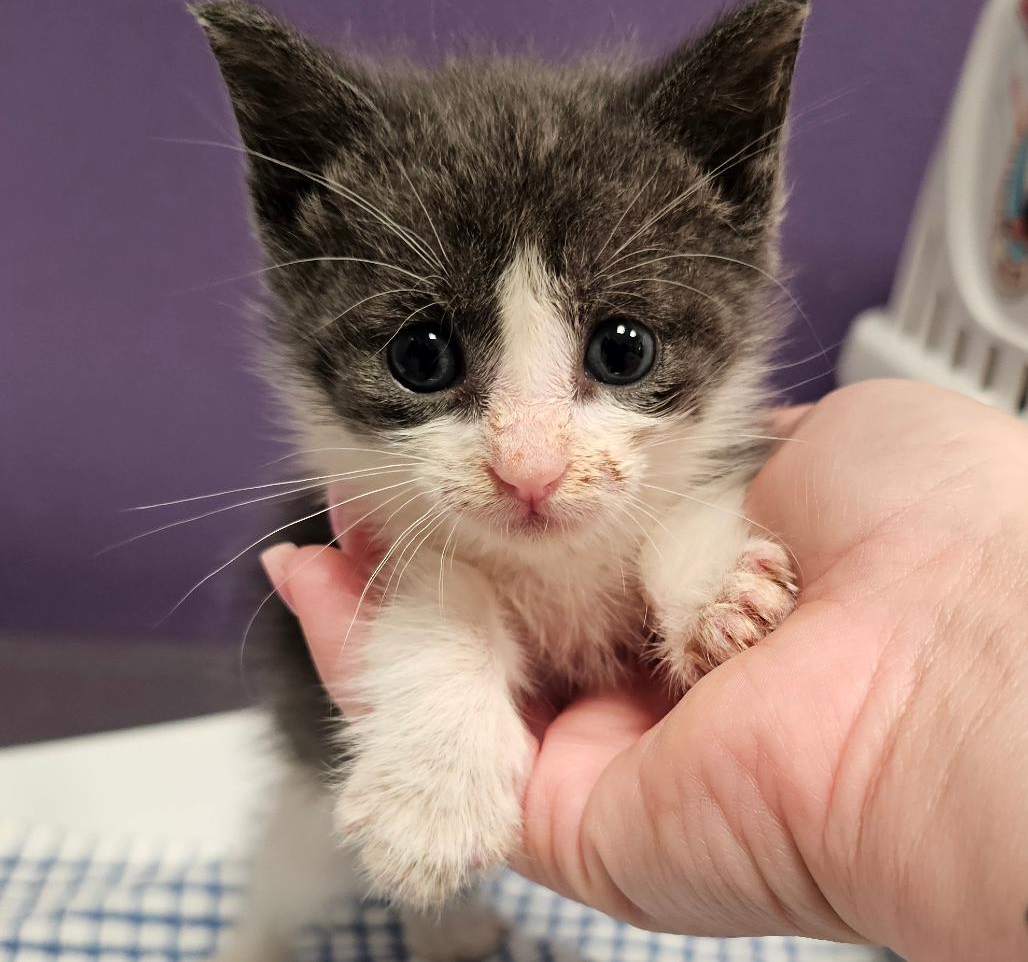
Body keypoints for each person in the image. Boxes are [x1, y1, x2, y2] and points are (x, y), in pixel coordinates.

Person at [259, 380, 1028, 961]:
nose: (530, 467)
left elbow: (692, 512)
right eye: (426, 361)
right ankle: (258, 939)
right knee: (305, 849)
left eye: (618, 354)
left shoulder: (694, 467)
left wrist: (704, 585)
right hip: (357, 715)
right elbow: (440, 588)